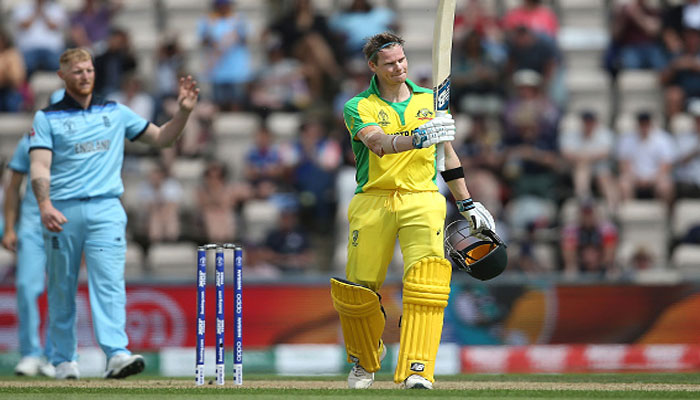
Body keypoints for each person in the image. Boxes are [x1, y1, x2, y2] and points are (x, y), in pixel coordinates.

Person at [331, 32, 495, 390]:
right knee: (359, 289)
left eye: (402, 60)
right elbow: (378, 143)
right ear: (373, 66)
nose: (398, 68)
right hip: (373, 199)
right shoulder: (358, 106)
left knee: (427, 281)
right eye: (389, 63)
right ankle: (364, 362)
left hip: (422, 198)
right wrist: (419, 137)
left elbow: (447, 156)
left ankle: (418, 369)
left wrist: (466, 202)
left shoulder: (430, 101)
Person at [28, 47, 199, 380]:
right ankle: (63, 361)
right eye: (77, 71)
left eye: (89, 70)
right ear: (62, 76)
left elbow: (162, 139)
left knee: (109, 284)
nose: (85, 76)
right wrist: (45, 205)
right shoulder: (46, 118)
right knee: (62, 287)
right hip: (62, 210)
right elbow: (39, 166)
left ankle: (117, 354)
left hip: (106, 208)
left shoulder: (115, 111)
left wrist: (183, 113)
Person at [2, 134, 55, 377]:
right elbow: (13, 187)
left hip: (66, 224)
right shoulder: (29, 141)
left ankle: (58, 356)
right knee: (25, 287)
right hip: (32, 226)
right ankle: (31, 354)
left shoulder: (79, 134)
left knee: (62, 291)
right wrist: (10, 228)